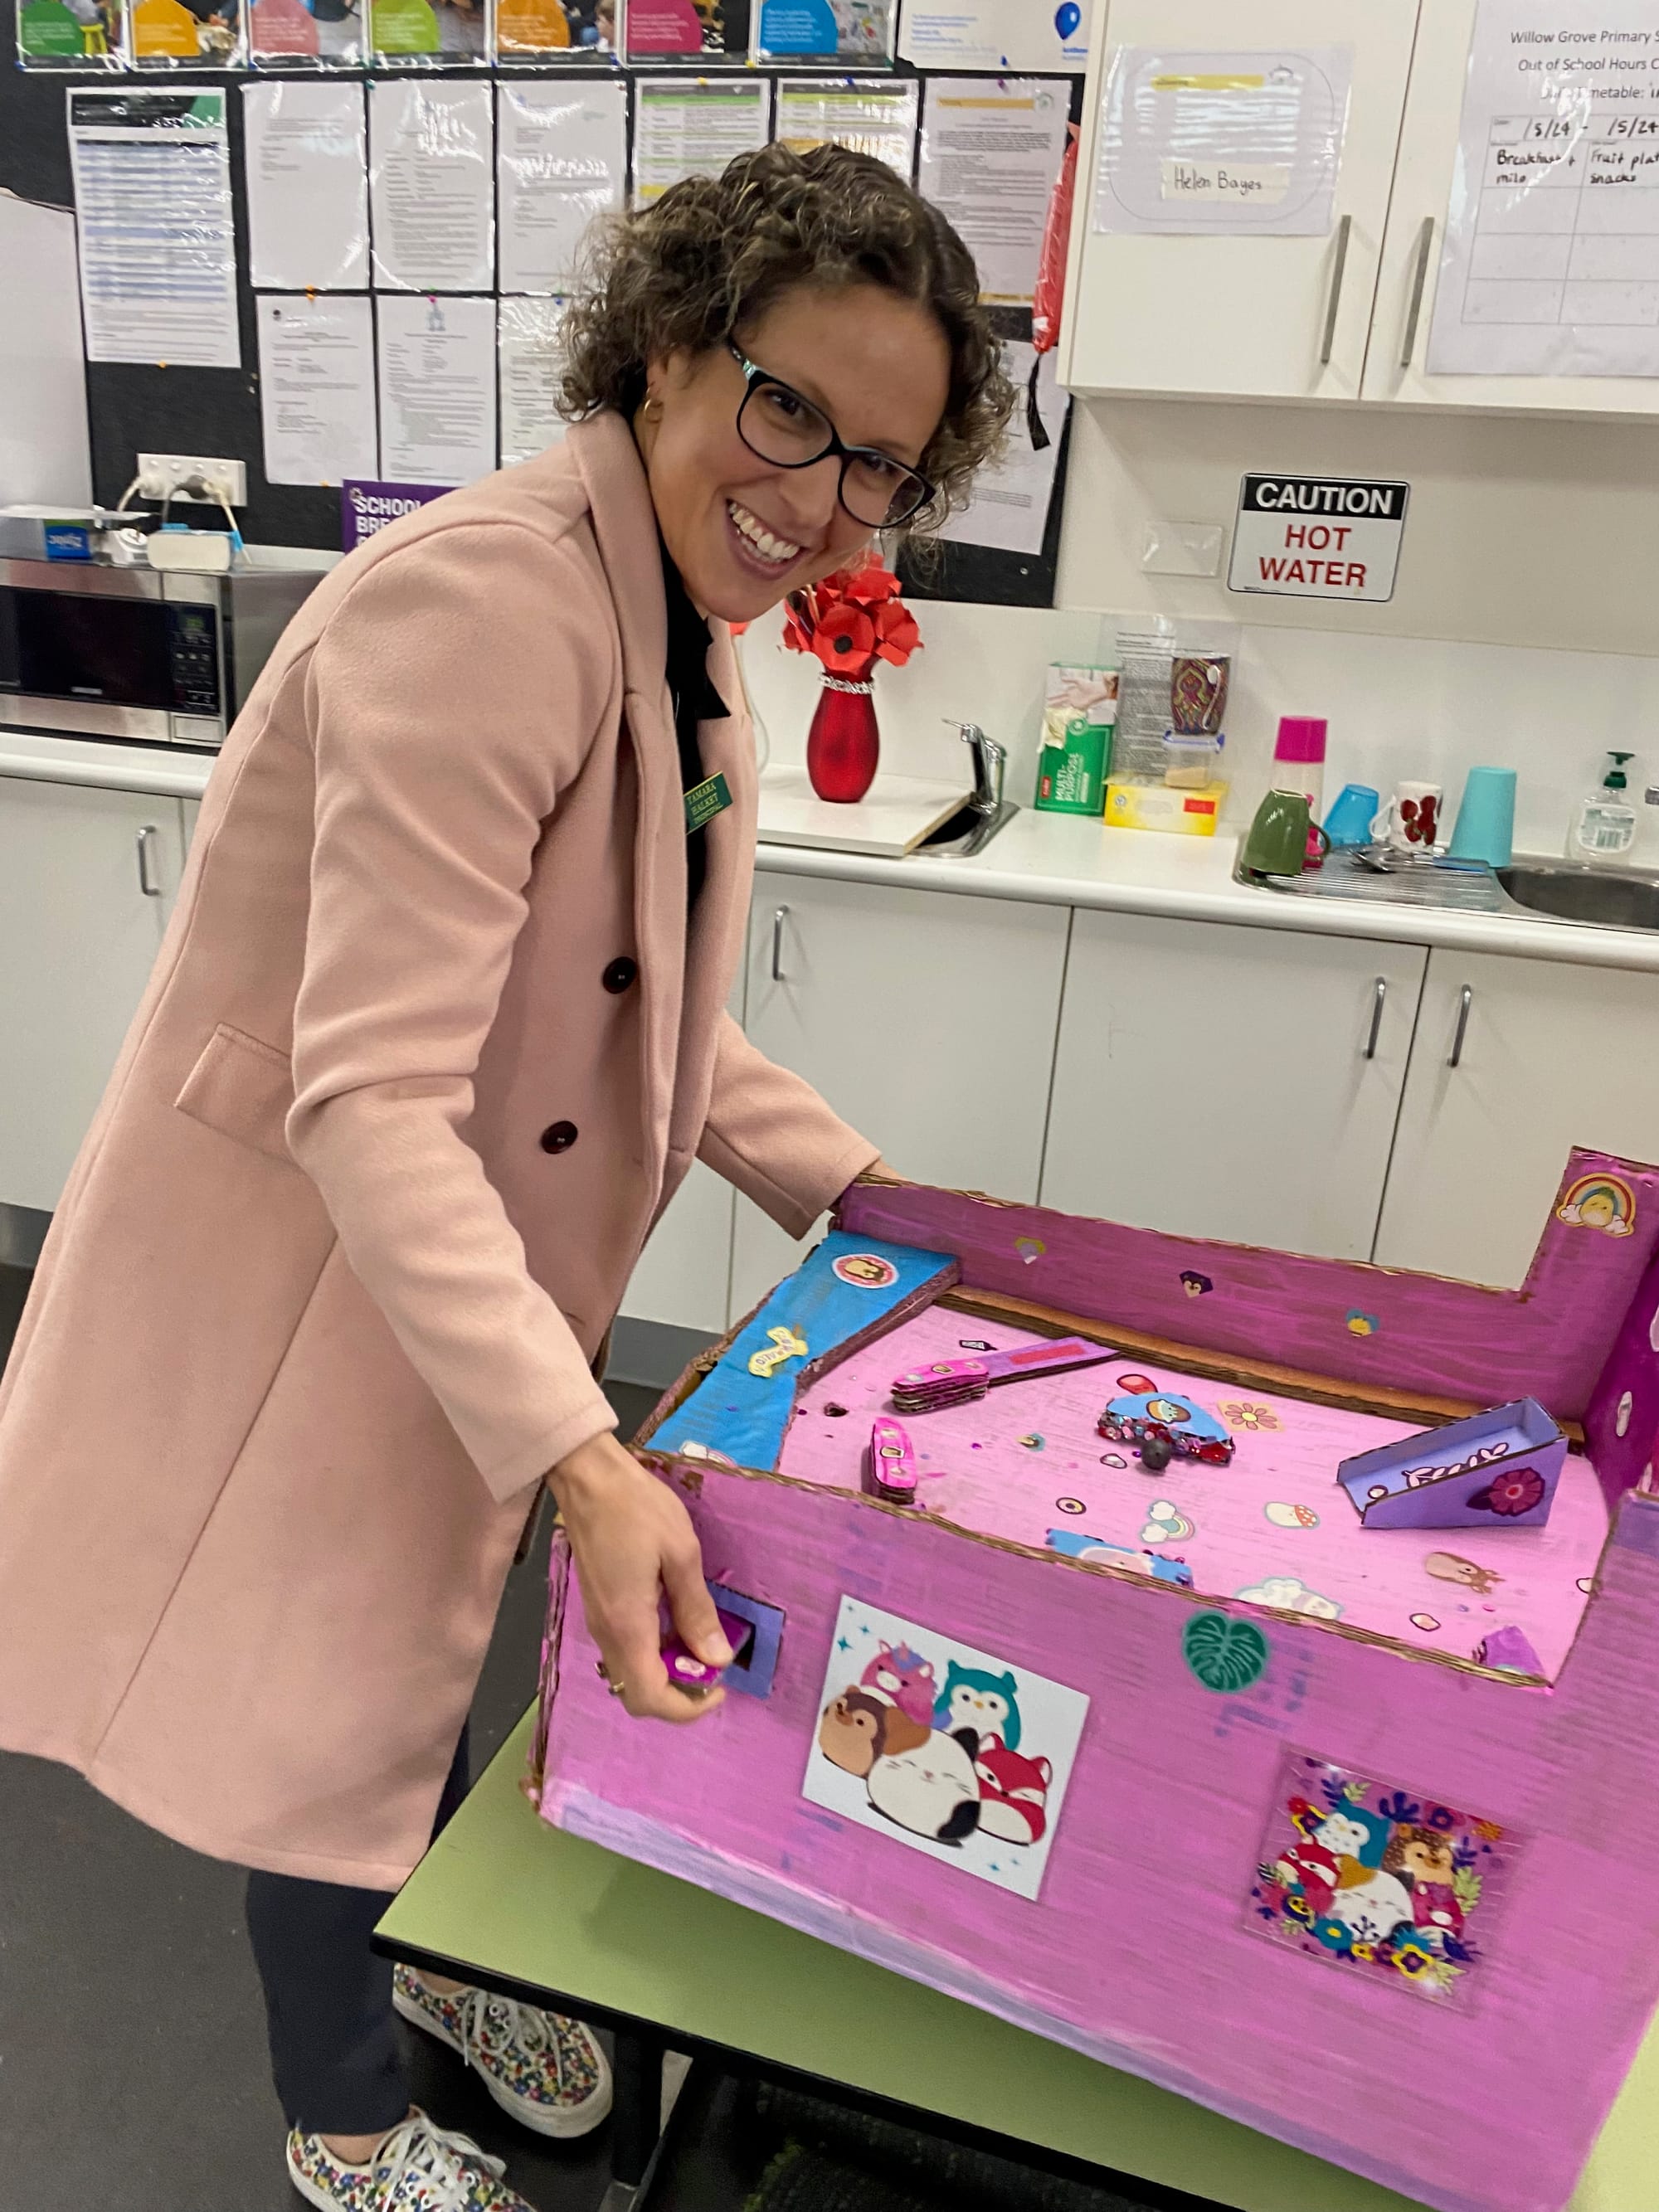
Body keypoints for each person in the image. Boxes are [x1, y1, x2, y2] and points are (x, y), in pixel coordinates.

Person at [0, 144, 1011, 2211]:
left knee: (396, 1672)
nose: (819, 496)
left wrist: (881, 1198)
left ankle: (433, 1968)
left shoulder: (667, 610)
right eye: (789, 408)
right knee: (319, 1703)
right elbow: (370, 1096)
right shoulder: (488, 604)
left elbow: (638, 999)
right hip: (312, 1269)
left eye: (880, 463)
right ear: (667, 348)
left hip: (446, 1256)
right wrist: (585, 1448)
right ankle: (348, 2116)